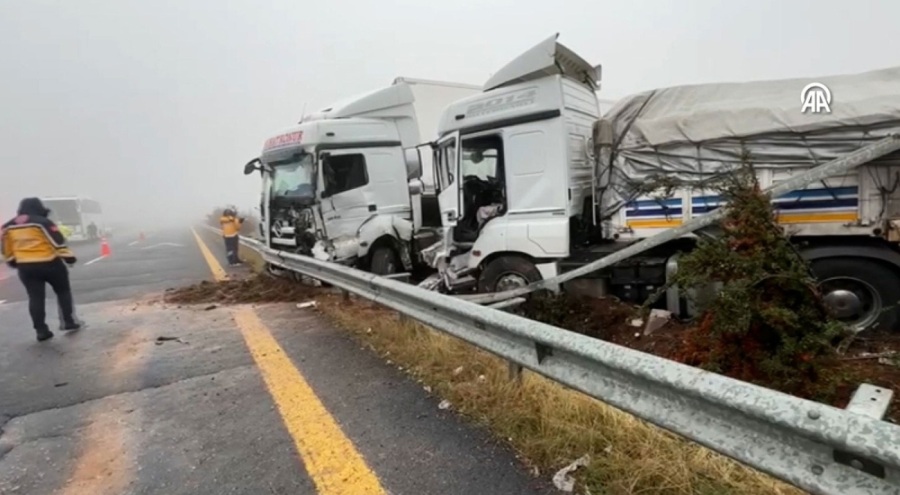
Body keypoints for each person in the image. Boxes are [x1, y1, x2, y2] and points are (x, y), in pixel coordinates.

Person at [1, 197, 82, 342]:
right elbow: (57, 241)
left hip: (26, 267)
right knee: (63, 291)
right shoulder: (42, 222)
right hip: (50, 264)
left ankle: (41, 330)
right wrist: (68, 257)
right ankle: (68, 322)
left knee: (35, 298)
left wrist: (11, 260)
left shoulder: (8, 226)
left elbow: (6, 248)